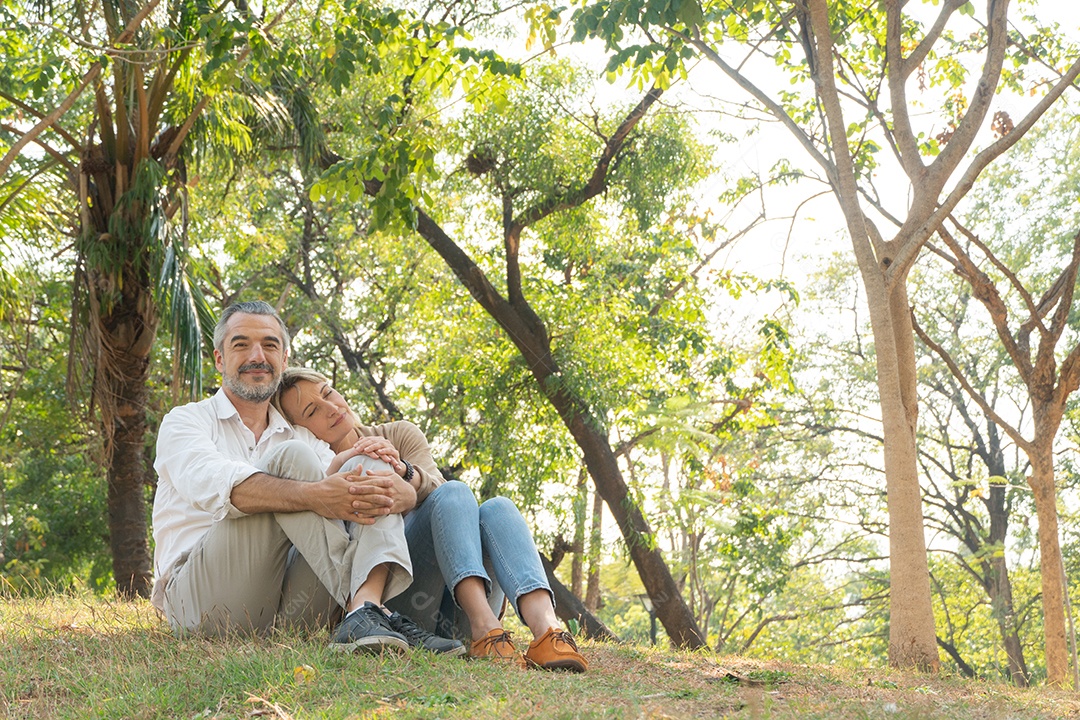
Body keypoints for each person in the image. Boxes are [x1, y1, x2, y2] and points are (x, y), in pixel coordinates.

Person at [151, 301, 464, 656]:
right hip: (204, 602)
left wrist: (365, 462)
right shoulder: (186, 422)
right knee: (292, 460)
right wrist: (316, 494)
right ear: (220, 360)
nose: (258, 356)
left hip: (291, 613)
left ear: (284, 360)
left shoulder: (302, 435)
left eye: (270, 345)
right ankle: (383, 612)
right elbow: (226, 489)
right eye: (241, 345)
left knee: (365, 460)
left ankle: (365, 608)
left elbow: (341, 498)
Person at [272, 366, 589, 672]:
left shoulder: (398, 433)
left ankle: (547, 632)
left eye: (329, 393)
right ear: (298, 428)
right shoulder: (313, 468)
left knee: (496, 508)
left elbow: (440, 492)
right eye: (312, 411)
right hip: (405, 608)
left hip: (464, 609)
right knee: (454, 493)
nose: (330, 408)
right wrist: (349, 468)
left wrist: (402, 471)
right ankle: (485, 629)